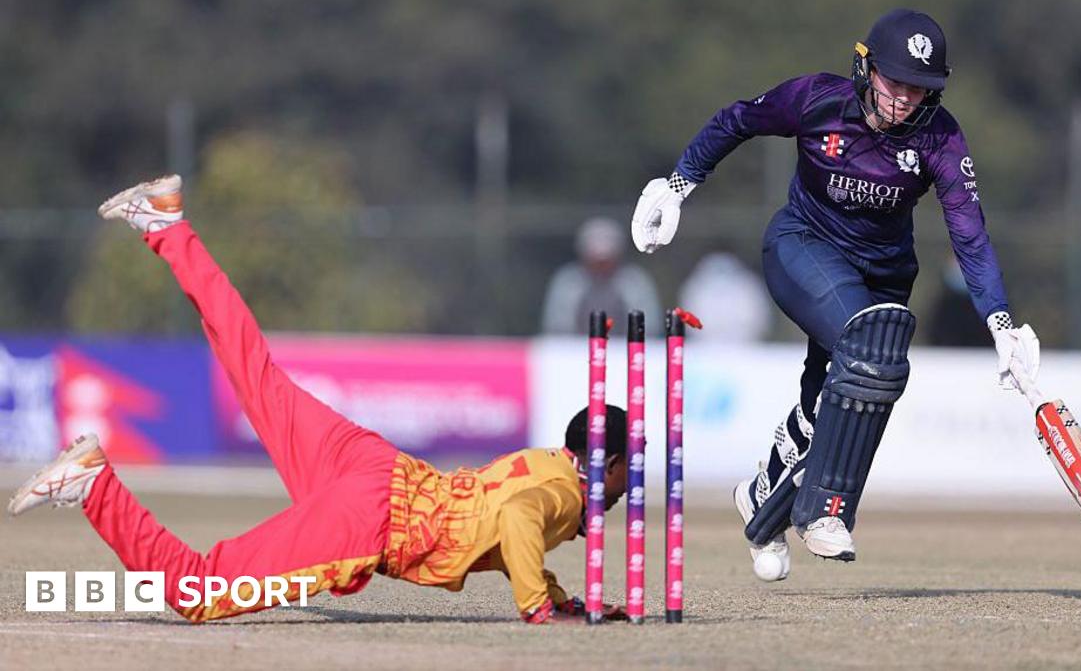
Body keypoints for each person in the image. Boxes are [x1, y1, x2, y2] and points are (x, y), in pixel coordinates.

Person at [7, 175, 629, 624]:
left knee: (255, 372)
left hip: (376, 466)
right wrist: (539, 605)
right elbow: (522, 518)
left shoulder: (554, 461)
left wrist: (556, 591)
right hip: (375, 518)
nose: (637, 479)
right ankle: (95, 485)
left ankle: (167, 225)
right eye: (634, 465)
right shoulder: (567, 495)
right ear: (605, 465)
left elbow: (511, 518)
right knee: (199, 593)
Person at [628, 10, 1040, 580]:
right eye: (895, 83)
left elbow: (968, 232)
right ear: (866, 67)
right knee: (870, 348)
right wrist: (677, 186)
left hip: (884, 274)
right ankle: (823, 510)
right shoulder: (817, 99)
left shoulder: (940, 137)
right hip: (803, 247)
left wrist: (1000, 323)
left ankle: (761, 500)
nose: (903, 100)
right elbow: (737, 120)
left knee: (849, 388)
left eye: (919, 89)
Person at [541, 216, 662, 337]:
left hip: (625, 349)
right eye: (595, 261)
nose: (601, 267)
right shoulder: (567, 282)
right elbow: (557, 328)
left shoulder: (636, 282)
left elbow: (649, 328)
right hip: (574, 351)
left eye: (607, 261)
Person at [678, 251, 773, 343]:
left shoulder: (748, 286)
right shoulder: (695, 287)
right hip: (705, 346)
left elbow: (757, 318)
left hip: (744, 346)